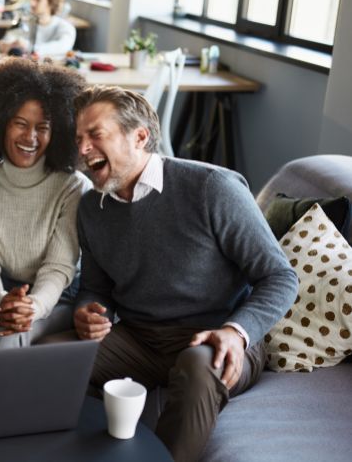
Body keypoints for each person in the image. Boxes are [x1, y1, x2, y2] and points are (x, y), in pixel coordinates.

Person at [72, 85, 298, 462]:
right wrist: (88, 310)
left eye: (95, 135)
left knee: (197, 364)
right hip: (140, 340)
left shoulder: (212, 188)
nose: (81, 150)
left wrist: (236, 333)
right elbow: (95, 288)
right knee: (56, 357)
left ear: (139, 136)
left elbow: (279, 276)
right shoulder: (90, 208)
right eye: (78, 138)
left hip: (216, 336)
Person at [0, 58, 91, 349]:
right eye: (20, 124)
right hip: (5, 291)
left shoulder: (72, 187)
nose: (30, 137)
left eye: (42, 127)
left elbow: (58, 267)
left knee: (6, 340)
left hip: (58, 298)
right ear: (0, 125)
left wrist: (32, 307)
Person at [0, 0, 75, 57]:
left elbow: (63, 46)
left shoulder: (66, 27)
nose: (32, 3)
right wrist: (7, 45)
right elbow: (7, 39)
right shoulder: (26, 23)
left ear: (50, 3)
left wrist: (29, 47)